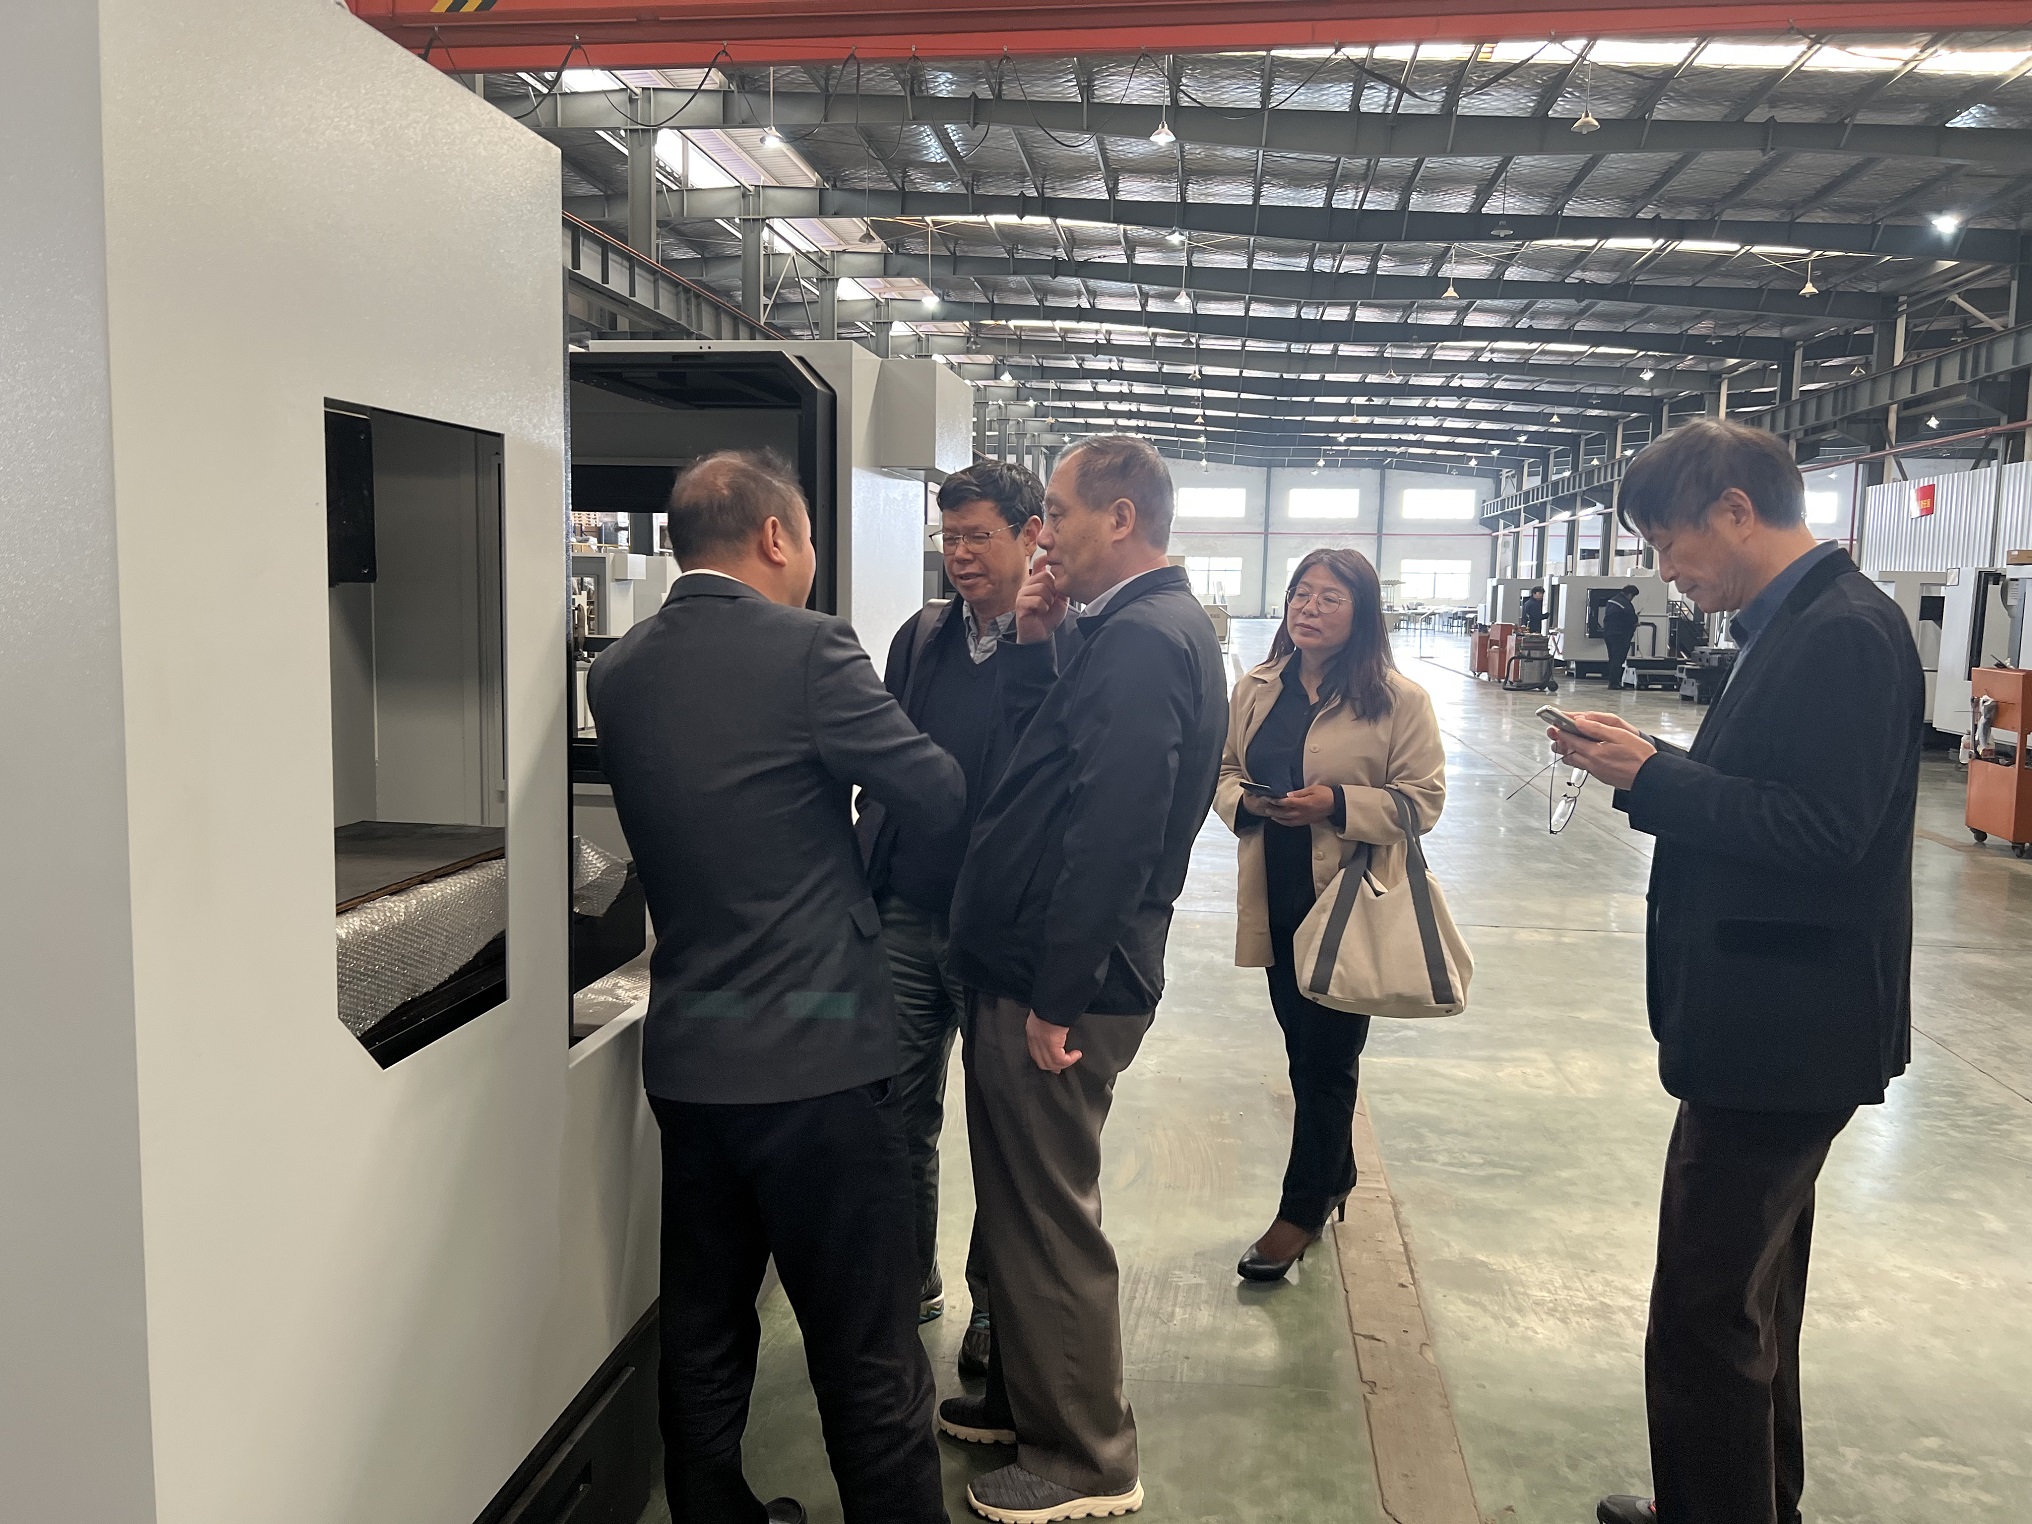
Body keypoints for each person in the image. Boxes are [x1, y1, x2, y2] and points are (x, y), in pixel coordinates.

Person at [1547, 419, 1923, 1524]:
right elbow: (1777, 792)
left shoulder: (1843, 633)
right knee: (1754, 1300)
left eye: (1669, 542)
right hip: (1772, 1024)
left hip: (1784, 1034)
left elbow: (1826, 832)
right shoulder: (1798, 624)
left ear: (1734, 510)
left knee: (1706, 1311)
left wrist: (1652, 779)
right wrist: (1652, 762)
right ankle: (1755, 1502)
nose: (1666, 570)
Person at [588, 451, 964, 1524]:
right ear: (774, 537)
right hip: (821, 1061)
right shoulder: (811, 649)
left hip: (692, 1057)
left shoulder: (617, 671)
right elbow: (934, 792)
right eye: (804, 539)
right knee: (866, 1348)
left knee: (705, 1328)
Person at [939, 435, 1226, 1524]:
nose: (1042, 535)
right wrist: (1036, 645)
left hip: (1061, 984)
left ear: (1119, 516)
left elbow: (1114, 831)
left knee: (1049, 1220)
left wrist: (1058, 993)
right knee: (1018, 1212)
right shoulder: (1116, 631)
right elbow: (1046, 769)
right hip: (1028, 965)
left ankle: (1084, 1462)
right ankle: (1026, 1403)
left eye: (1055, 514)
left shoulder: (1148, 639)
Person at [859, 458, 1057, 1374]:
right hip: (907, 910)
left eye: (979, 536)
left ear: (1030, 535)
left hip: (999, 930)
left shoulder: (1061, 642)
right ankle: (908, 1279)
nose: (961, 555)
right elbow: (887, 756)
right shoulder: (923, 636)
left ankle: (993, 1306)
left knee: (1001, 1128)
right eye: (950, 537)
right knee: (897, 1110)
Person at [1214, 549, 1446, 1283]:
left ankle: (1303, 1206)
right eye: (1301, 595)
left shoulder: (1399, 700)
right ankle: (1335, 1173)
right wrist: (1250, 802)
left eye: (1330, 598)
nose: (1308, 609)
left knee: (1327, 1059)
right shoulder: (1257, 688)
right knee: (1301, 1047)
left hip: (1348, 901)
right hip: (1277, 892)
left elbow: (1422, 802)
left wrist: (1336, 804)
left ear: (1362, 614)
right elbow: (1223, 772)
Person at [1600, 583, 1640, 684]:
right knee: (1618, 659)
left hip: (1609, 633)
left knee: (1612, 658)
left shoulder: (1612, 600)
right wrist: (1636, 623)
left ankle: (1612, 681)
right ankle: (1614, 683)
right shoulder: (1625, 604)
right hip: (1620, 635)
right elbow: (1631, 618)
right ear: (1630, 594)